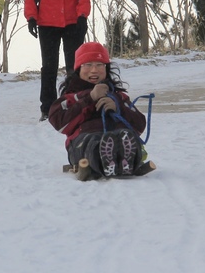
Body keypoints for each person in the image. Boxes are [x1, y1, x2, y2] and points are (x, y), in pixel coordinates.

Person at [49, 42, 148, 178]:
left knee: (123, 135)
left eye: (99, 65)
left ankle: (124, 158)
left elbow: (140, 125)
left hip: (117, 134)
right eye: (88, 65)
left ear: (106, 68)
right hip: (82, 142)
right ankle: (105, 159)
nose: (94, 70)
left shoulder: (119, 96)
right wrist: (89, 98)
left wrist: (118, 107)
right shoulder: (72, 97)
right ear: (78, 69)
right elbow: (59, 122)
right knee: (93, 140)